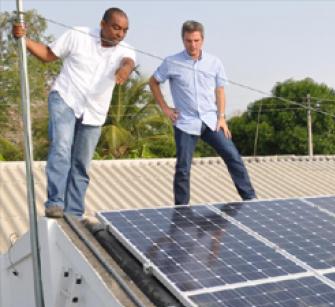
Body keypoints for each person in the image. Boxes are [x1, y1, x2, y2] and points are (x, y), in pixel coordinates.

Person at [13, 8, 136, 218]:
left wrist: (125, 69)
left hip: (94, 112)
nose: (120, 34)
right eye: (116, 28)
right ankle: (55, 203)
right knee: (61, 147)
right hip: (65, 98)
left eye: (124, 30)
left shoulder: (124, 50)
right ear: (103, 23)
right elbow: (47, 55)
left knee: (81, 163)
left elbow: (128, 62)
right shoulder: (78, 35)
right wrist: (23, 39)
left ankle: (74, 213)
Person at [149, 20, 256, 206]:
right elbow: (153, 82)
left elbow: (220, 90)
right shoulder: (172, 62)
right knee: (183, 168)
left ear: (203, 40)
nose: (193, 45)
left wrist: (222, 117)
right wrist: (165, 108)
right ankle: (181, 209)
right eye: (189, 41)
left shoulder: (214, 63)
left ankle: (251, 198)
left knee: (233, 157)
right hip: (185, 123)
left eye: (196, 40)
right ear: (183, 40)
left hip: (211, 121)